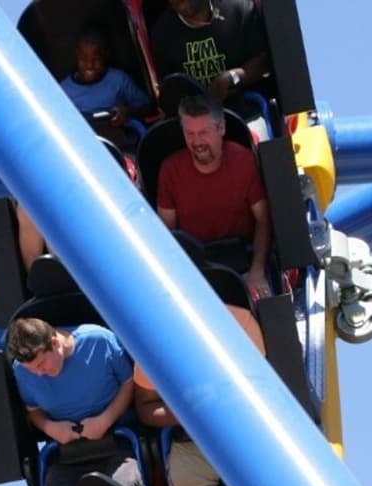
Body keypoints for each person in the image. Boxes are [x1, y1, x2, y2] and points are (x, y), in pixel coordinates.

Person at [6, 317, 145, 486]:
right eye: (32, 370)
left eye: (42, 364)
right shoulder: (23, 371)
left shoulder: (98, 340)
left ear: (54, 342)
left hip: (118, 439)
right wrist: (51, 428)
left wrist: (105, 419)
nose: (39, 373)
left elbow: (129, 383)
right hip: (69, 453)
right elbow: (33, 411)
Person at [132, 302, 265, 486]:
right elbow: (146, 407)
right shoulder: (150, 342)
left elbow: (263, 384)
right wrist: (190, 414)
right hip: (191, 439)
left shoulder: (238, 321)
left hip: (245, 428)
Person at [157, 96, 270, 298]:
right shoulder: (170, 170)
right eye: (190, 134)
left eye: (203, 133)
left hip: (241, 254)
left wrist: (257, 270)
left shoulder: (243, 160)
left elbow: (263, 219)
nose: (197, 142)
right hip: (195, 265)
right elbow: (166, 234)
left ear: (221, 129)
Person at [148, 0, 270, 110]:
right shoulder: (162, 33)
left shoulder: (238, 9)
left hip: (247, 106)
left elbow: (262, 62)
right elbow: (167, 88)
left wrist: (231, 78)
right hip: (197, 119)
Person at [61, 29, 150, 133]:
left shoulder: (118, 79)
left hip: (121, 135)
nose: (89, 66)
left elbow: (148, 106)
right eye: (83, 60)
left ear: (105, 55)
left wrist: (127, 112)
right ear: (76, 55)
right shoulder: (64, 90)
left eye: (96, 59)